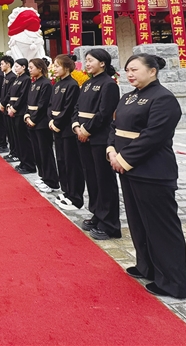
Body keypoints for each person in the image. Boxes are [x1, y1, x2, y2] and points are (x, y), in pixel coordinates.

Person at [107, 53, 186, 298]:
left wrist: (123, 159)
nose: (129, 74)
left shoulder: (163, 98)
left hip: (152, 171)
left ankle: (172, 282)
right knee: (138, 222)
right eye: (127, 70)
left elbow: (154, 136)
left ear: (152, 71)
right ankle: (147, 266)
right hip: (127, 169)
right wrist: (111, 149)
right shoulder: (128, 97)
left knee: (161, 227)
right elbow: (114, 126)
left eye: (135, 69)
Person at [72, 48, 121, 240]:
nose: (87, 63)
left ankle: (109, 223)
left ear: (102, 63)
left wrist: (86, 130)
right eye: (86, 60)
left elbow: (104, 113)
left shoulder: (109, 84)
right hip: (83, 136)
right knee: (91, 178)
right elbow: (77, 108)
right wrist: (76, 126)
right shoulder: (87, 83)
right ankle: (97, 213)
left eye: (91, 60)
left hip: (99, 138)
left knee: (104, 180)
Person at [49, 54, 83, 210]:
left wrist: (57, 123)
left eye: (57, 66)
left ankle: (75, 195)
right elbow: (50, 105)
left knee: (71, 163)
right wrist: (51, 120)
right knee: (61, 160)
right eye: (54, 66)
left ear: (67, 67)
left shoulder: (72, 85)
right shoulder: (57, 85)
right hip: (56, 127)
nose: (54, 69)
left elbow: (69, 108)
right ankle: (66, 190)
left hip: (67, 129)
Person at [24, 58, 59, 194]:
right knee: (37, 152)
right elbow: (29, 102)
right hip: (32, 121)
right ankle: (43, 176)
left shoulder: (46, 84)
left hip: (41, 122)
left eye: (31, 67)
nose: (29, 70)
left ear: (40, 68)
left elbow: (43, 104)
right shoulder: (34, 83)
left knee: (45, 152)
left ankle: (51, 181)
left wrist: (33, 119)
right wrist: (27, 116)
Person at [8, 58, 37, 174]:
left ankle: (29, 164)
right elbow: (10, 94)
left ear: (24, 67)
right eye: (14, 66)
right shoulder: (17, 79)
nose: (15, 68)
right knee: (18, 139)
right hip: (13, 110)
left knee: (24, 140)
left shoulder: (26, 79)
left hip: (20, 112)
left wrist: (14, 108)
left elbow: (23, 96)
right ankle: (22, 162)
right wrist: (9, 106)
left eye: (17, 66)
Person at [0, 56, 17, 162]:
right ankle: (12, 152)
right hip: (4, 107)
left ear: (8, 64)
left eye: (2, 64)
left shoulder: (12, 77)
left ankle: (15, 153)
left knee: (13, 133)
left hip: (9, 107)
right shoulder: (6, 76)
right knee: (9, 132)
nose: (1, 66)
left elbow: (9, 94)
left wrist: (3, 103)